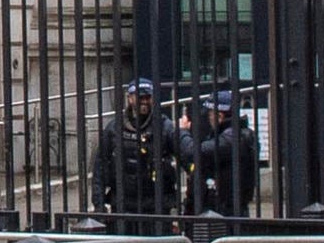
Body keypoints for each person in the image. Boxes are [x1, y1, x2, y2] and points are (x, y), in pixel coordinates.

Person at [91, 78, 180, 229]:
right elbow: (100, 167)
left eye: (148, 97)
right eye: (140, 97)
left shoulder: (164, 126)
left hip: (157, 206)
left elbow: (185, 155)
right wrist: (99, 205)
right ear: (130, 98)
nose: (144, 101)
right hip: (123, 206)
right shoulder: (114, 128)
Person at [181, 88, 263, 218]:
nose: (209, 118)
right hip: (227, 209)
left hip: (223, 211)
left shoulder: (231, 139)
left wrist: (183, 132)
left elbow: (194, 152)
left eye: (210, 114)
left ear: (219, 116)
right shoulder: (234, 135)